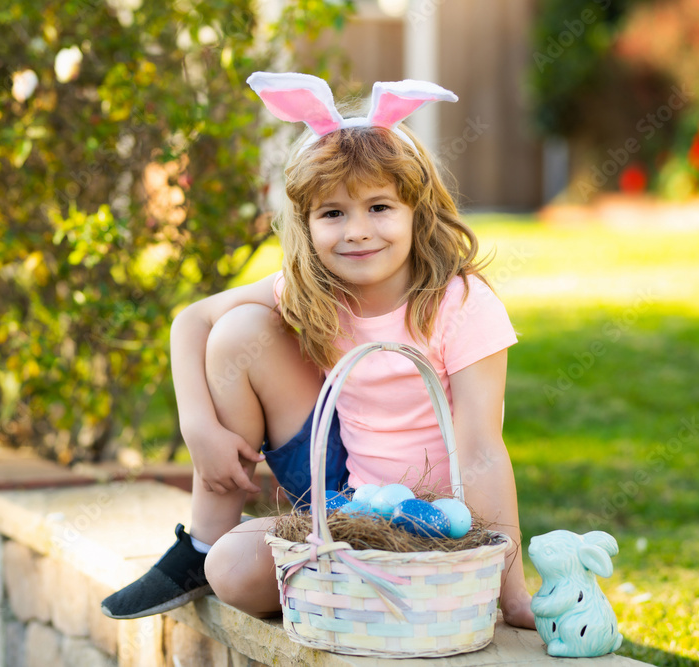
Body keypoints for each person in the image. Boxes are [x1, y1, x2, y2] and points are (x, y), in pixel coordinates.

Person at [101, 72, 536, 629]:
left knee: (261, 569)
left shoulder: (460, 303)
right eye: (333, 213)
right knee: (236, 337)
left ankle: (372, 588)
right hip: (350, 503)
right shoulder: (316, 288)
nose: (357, 231)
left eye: (380, 207)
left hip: (437, 520)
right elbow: (192, 321)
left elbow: (481, 450)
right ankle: (205, 545)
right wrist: (198, 427)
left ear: (416, 210)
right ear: (307, 224)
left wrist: (510, 589)